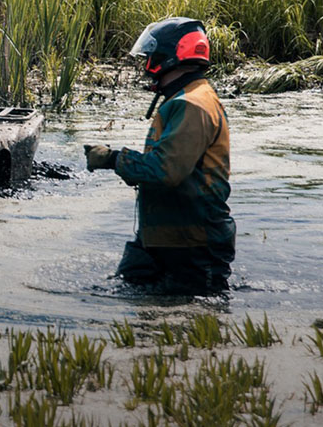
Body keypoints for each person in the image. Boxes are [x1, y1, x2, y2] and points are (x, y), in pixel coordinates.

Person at [83, 17, 236, 295]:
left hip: (191, 247)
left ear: (171, 57)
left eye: (152, 57)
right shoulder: (186, 98)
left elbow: (166, 171)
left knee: (192, 328)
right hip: (164, 241)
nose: (147, 66)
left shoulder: (192, 104)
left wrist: (113, 159)